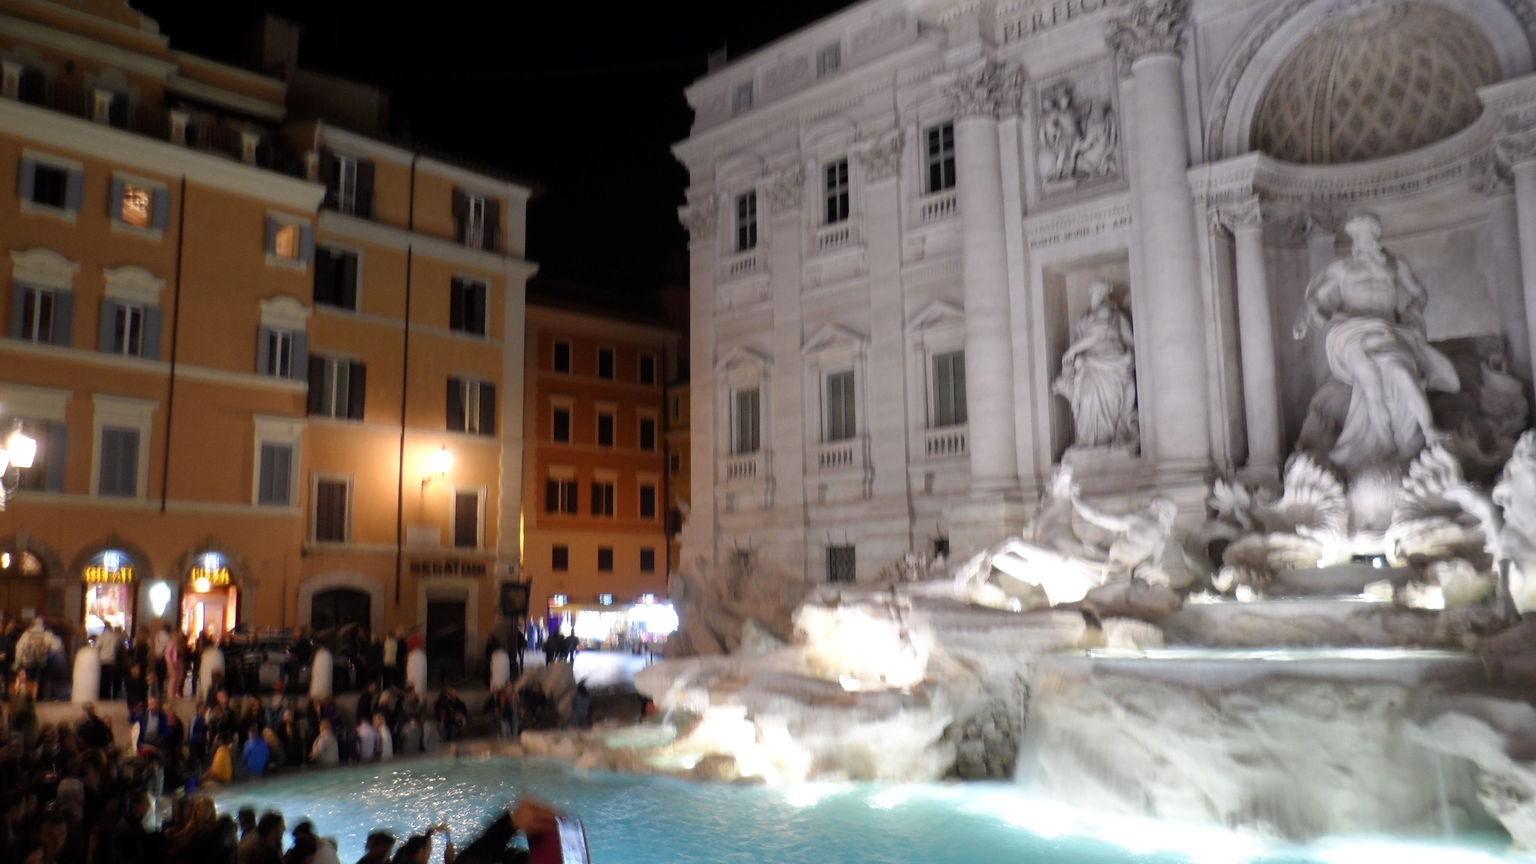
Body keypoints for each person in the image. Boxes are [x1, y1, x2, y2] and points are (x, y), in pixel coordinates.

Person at [1293, 211, 1460, 473]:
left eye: (1367, 235)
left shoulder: (1395, 266)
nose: (1363, 241)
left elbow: (1419, 294)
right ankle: (1385, 444)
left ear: (1376, 236)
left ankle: (1429, 430)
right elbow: (1315, 300)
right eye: (1358, 236)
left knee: (1402, 372)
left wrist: (1411, 313)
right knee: (1369, 381)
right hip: (1351, 331)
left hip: (1387, 330)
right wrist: (1308, 319)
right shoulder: (1342, 268)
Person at [1053, 279, 1137, 449]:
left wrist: (1072, 351)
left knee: (1103, 400)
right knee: (1087, 397)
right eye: (1093, 292)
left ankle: (1104, 440)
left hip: (1109, 362)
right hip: (1090, 364)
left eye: (1096, 292)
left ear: (1103, 294)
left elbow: (1097, 336)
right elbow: (1083, 338)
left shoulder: (1107, 311)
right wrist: (1076, 358)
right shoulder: (1086, 316)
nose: (1094, 296)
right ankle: (1089, 440)